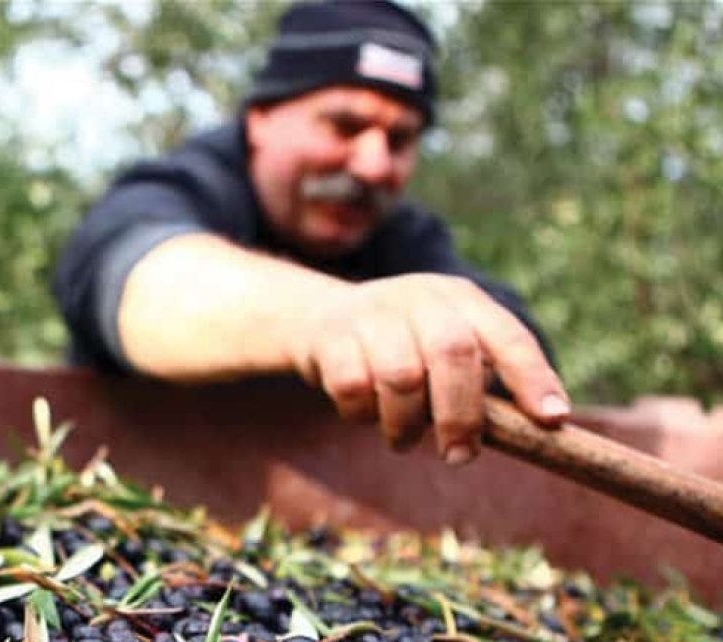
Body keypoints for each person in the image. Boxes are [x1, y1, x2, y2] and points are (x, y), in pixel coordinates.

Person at [53, 0, 570, 466]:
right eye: (344, 126)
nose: (374, 166)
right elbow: (135, 276)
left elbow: (509, 342)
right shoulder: (194, 183)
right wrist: (329, 317)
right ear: (260, 119)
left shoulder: (403, 238)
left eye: (400, 139)